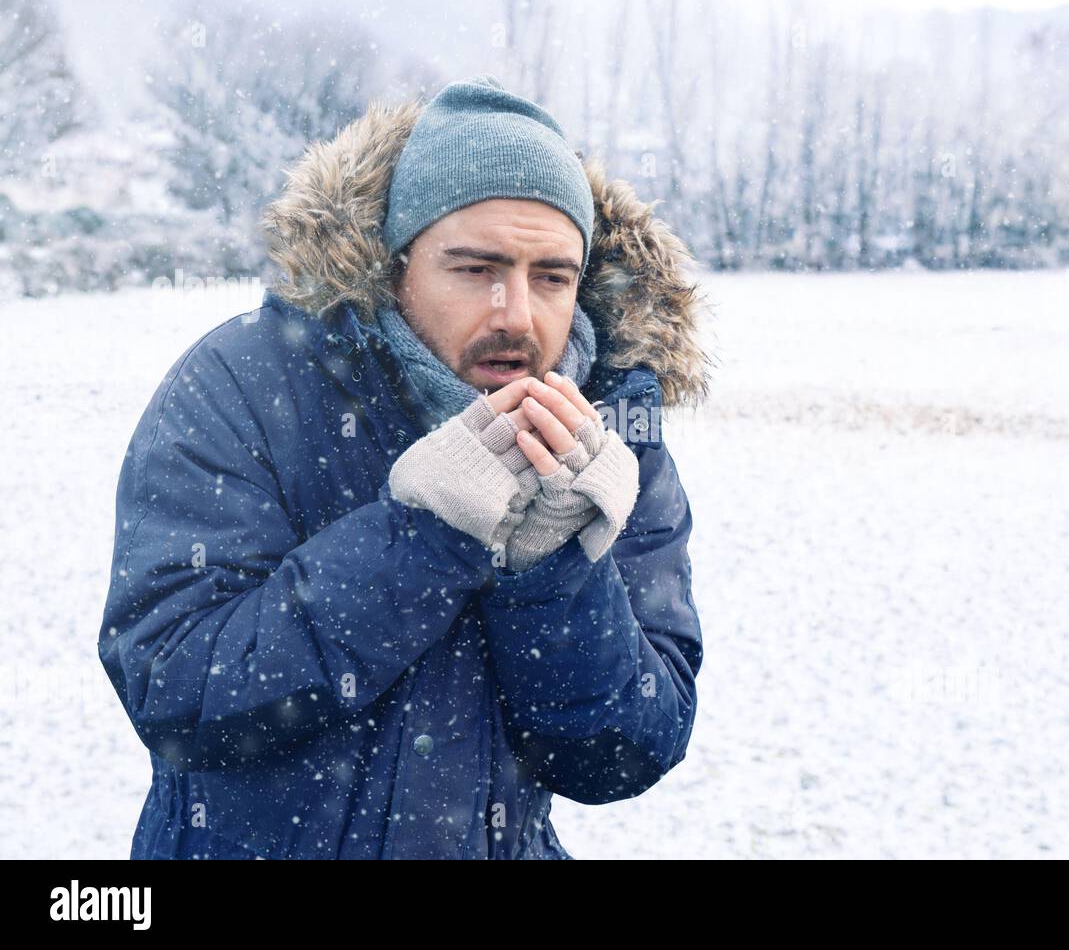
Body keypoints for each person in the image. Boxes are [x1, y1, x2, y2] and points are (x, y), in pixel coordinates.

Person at [97, 75, 712, 859]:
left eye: (551, 276)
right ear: (394, 268)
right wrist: (423, 535)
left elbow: (625, 749)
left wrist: (556, 570)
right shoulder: (245, 385)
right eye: (471, 268)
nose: (515, 313)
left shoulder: (605, 436)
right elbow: (176, 688)